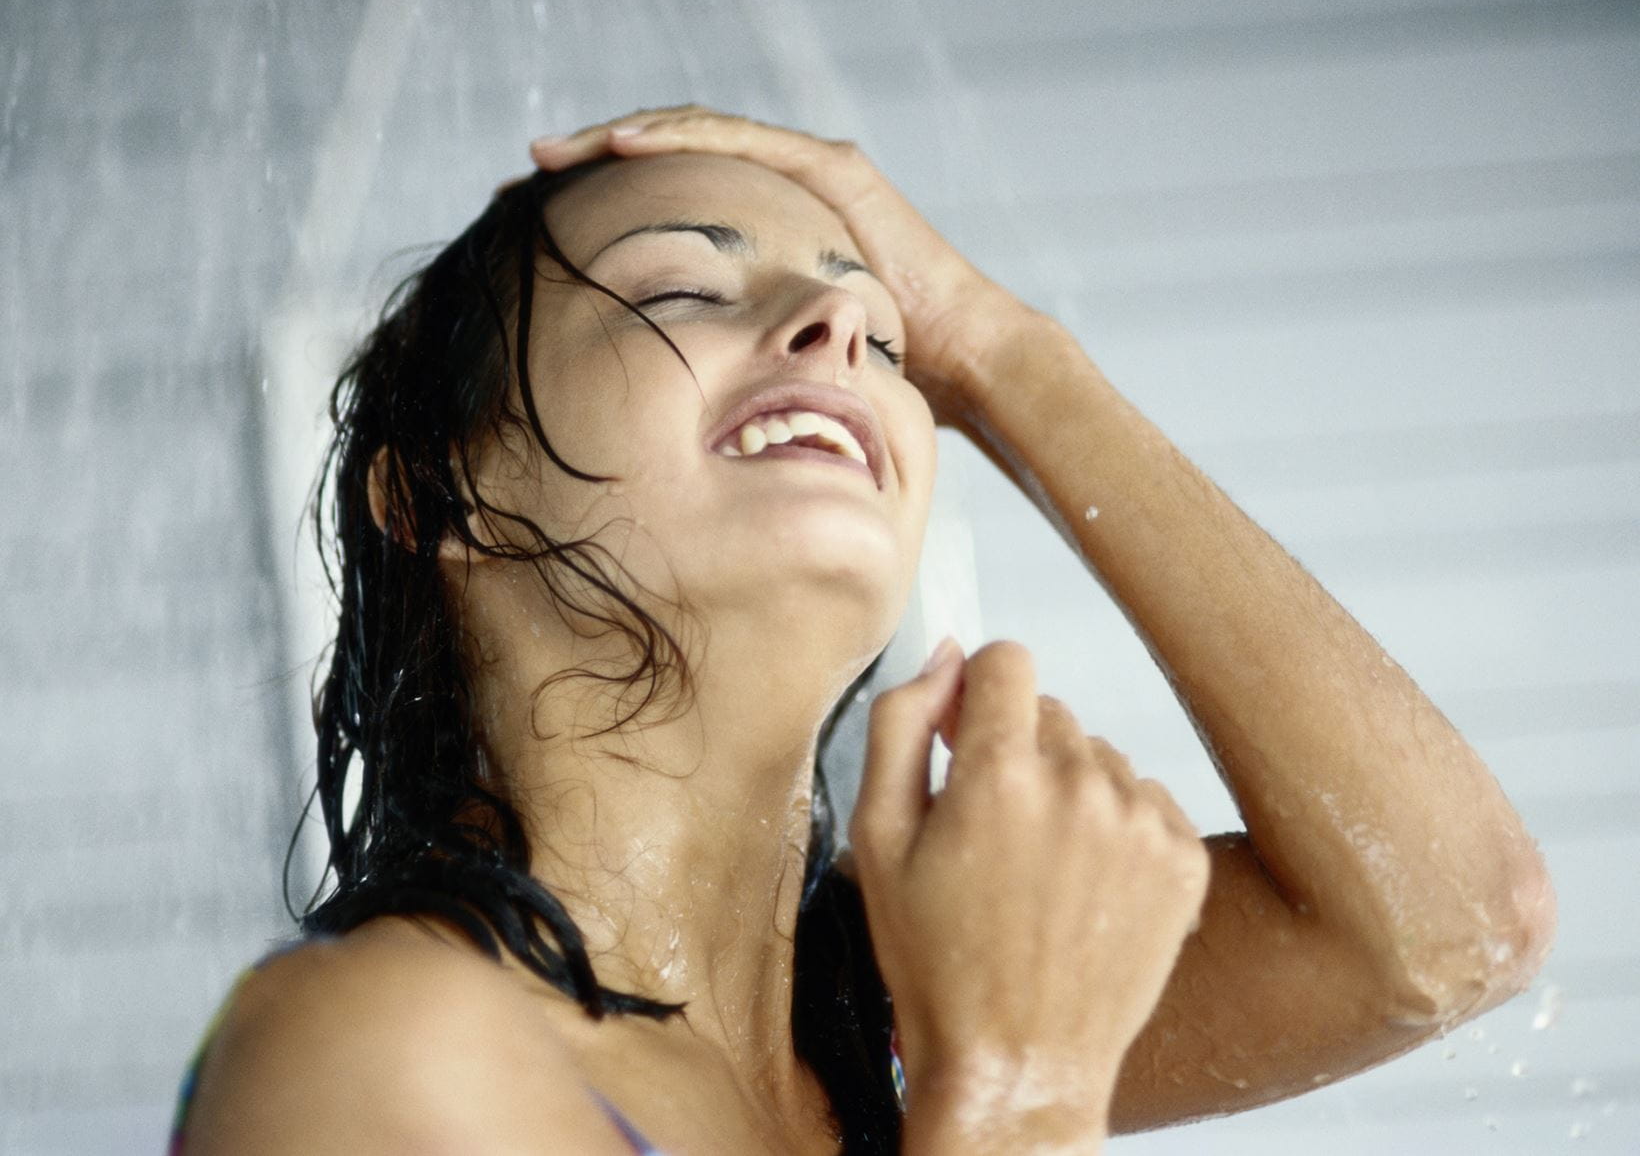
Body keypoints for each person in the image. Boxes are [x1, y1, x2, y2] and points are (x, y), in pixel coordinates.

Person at [173, 107, 1555, 1155]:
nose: (840, 318)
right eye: (680, 289)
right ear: (435, 493)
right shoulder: (377, 1048)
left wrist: (1005, 355)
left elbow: (1448, 928)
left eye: (887, 341)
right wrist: (1016, 1095)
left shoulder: (890, 1022)